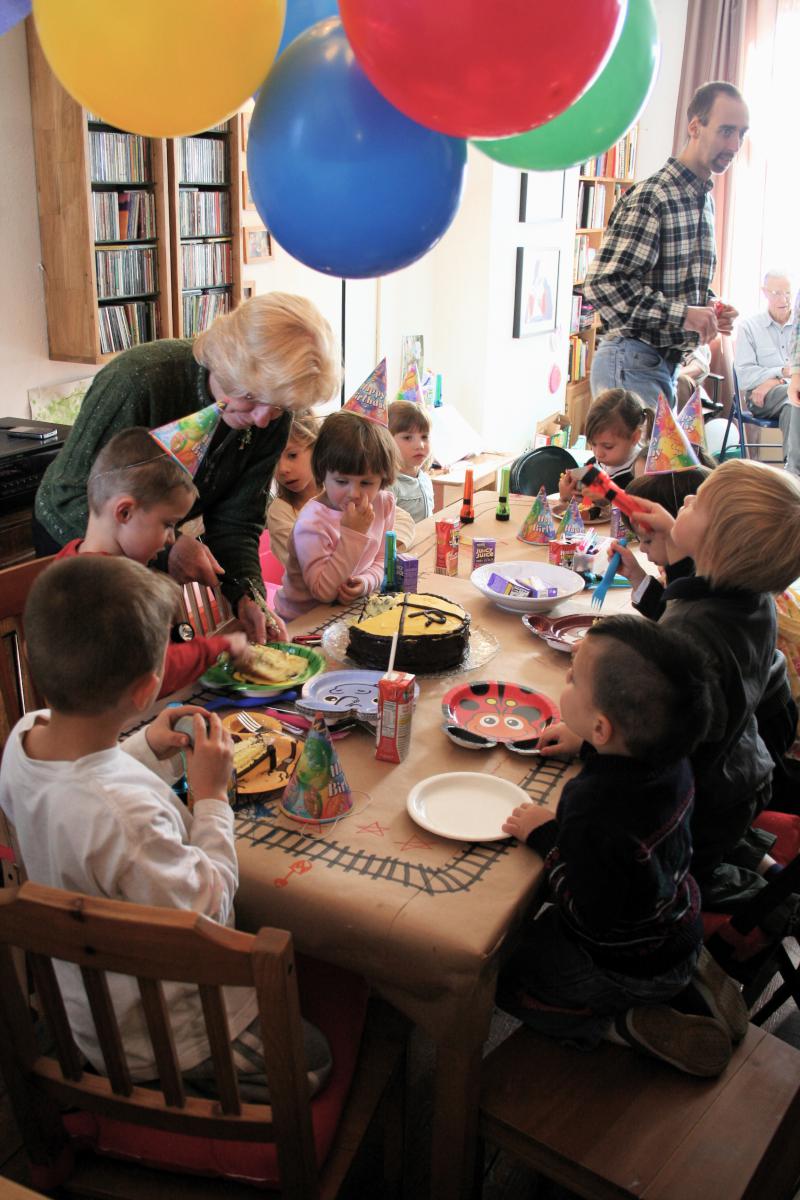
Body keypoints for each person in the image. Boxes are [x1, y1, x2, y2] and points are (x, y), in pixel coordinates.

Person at [0, 556, 332, 1098]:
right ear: (146, 689)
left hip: (84, 1000)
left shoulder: (25, 738)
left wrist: (145, 747)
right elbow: (211, 909)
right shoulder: (123, 816)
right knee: (313, 1059)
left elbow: (82, 784)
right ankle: (173, 1093)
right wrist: (211, 798)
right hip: (159, 1035)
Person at [499, 616, 746, 1077]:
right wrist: (588, 742)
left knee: (505, 977)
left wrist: (545, 836)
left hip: (620, 962)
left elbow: (583, 911)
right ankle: (694, 976)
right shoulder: (673, 759)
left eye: (573, 678)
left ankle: (622, 1026)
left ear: (602, 727)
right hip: (676, 922)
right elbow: (625, 766)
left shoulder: (592, 809)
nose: (565, 680)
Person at [33, 293, 341, 643]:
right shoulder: (138, 382)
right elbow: (73, 496)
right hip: (75, 535)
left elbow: (236, 523)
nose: (262, 419)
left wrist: (247, 594)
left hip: (151, 536)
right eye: (252, 397)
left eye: (279, 407)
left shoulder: (271, 416)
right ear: (228, 361)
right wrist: (170, 548)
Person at [605, 461, 800, 912]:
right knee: (724, 839)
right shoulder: (748, 596)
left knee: (656, 869)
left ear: (717, 544)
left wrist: (590, 731)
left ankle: (760, 903)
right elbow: (693, 595)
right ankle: (759, 860)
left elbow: (654, 733)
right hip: (744, 770)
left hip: (704, 799)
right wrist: (676, 536)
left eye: (698, 503)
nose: (686, 501)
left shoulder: (694, 632)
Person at [584, 81, 747, 408]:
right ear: (694, 127)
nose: (735, 144)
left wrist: (711, 309)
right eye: (726, 131)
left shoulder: (703, 200)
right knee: (650, 463)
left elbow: (670, 284)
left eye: (742, 134)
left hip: (661, 366)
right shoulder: (654, 196)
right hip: (631, 362)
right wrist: (687, 315)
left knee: (669, 463)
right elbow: (603, 285)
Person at [54, 427, 250, 697]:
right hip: (120, 731)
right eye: (168, 524)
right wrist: (217, 648)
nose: (171, 539)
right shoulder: (111, 587)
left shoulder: (69, 560)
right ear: (125, 512)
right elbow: (152, 673)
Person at [275, 410, 397, 622]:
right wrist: (353, 533)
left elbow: (383, 559)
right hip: (302, 622)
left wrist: (366, 581)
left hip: (350, 611)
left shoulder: (383, 503)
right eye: (342, 481)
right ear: (322, 473)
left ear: (383, 480)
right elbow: (323, 591)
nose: (354, 494)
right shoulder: (312, 523)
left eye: (367, 483)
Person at [734, 270, 800, 475]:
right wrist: (784, 372)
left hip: (789, 394)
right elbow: (745, 375)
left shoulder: (797, 327)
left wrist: (773, 380)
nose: (785, 299)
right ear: (764, 293)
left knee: (794, 403)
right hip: (760, 399)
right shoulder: (749, 327)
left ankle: (793, 472)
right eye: (777, 293)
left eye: (788, 293)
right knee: (795, 397)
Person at [558, 387, 649, 503]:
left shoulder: (641, 471)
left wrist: (610, 497)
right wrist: (568, 496)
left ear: (634, 437)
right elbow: (583, 507)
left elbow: (643, 510)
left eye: (608, 446)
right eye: (593, 444)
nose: (598, 454)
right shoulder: (593, 465)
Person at [267, 412, 320, 567]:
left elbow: (393, 515)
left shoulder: (340, 490)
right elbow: (309, 566)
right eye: (273, 459)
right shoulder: (279, 512)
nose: (282, 469)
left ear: (316, 448)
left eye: (292, 455)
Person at [388, 399, 434, 521]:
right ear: (387, 441)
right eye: (408, 437)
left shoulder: (425, 479)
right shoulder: (389, 486)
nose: (420, 445)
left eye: (424, 437)